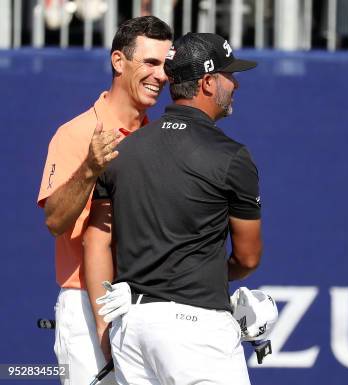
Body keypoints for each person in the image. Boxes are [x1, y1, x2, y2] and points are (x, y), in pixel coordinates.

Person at [84, 32, 262, 385]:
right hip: (196, 332)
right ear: (208, 83)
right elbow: (247, 259)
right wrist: (199, 275)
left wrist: (107, 322)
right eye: (230, 75)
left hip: (132, 328)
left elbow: (97, 240)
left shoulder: (123, 151)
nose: (236, 85)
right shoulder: (231, 156)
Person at [37, 16, 172, 385]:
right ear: (118, 61)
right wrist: (90, 168)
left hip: (144, 305)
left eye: (166, 65)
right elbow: (55, 222)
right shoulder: (76, 133)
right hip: (84, 305)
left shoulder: (158, 139)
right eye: (150, 62)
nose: (161, 76)